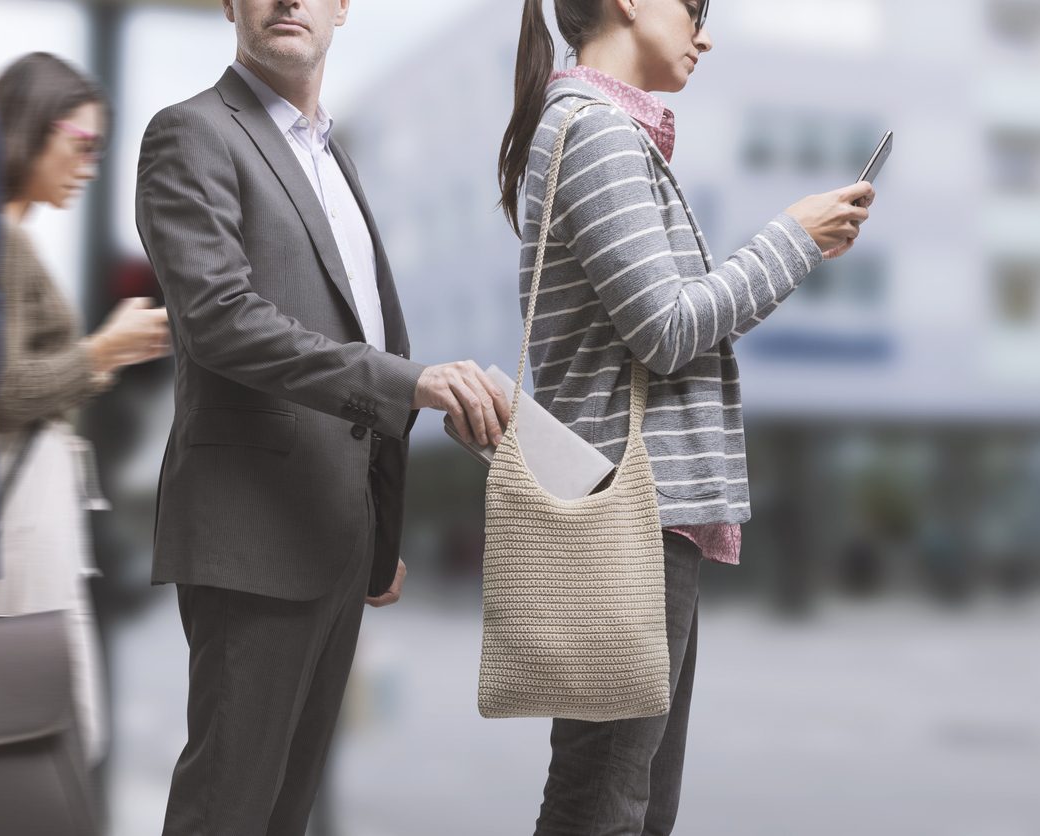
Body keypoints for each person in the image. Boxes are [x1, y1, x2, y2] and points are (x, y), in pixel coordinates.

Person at [496, 1, 876, 833]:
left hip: (634, 514)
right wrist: (791, 237)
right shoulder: (594, 130)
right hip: (627, 519)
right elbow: (667, 329)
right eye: (693, 7)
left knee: (627, 802)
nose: (705, 33)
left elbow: (664, 323)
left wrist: (797, 244)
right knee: (604, 805)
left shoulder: (599, 131)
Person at [135, 0, 509, 832]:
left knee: (288, 815)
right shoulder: (189, 133)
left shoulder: (334, 158)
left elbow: (360, 328)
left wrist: (379, 533)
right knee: (227, 811)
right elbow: (221, 320)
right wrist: (413, 383)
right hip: (251, 539)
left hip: (335, 539)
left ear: (344, 6)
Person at [0, 52, 172, 767]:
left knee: (50, 721)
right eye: (79, 143)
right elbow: (4, 390)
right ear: (28, 128)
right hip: (19, 509)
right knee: (56, 724)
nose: (89, 164)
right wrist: (103, 352)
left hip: (34, 502)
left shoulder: (6, 233)